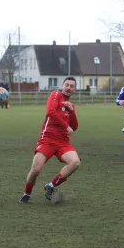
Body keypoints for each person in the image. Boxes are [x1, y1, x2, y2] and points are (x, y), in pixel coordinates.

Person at [19, 76, 80, 204]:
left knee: (75, 162)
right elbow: (50, 112)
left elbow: (74, 127)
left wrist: (72, 112)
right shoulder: (56, 94)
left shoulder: (70, 105)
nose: (69, 88)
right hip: (47, 139)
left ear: (75, 89)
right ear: (62, 86)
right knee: (36, 169)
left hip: (63, 142)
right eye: (67, 85)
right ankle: (26, 194)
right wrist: (66, 126)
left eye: (72, 86)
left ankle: (51, 186)